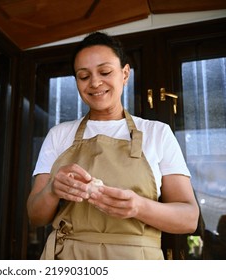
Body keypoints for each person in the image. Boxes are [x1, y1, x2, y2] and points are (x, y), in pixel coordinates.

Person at [27, 32, 200, 260]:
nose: (95, 83)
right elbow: (35, 217)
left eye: (105, 72)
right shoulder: (59, 135)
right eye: (83, 76)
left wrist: (138, 207)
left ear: (125, 74)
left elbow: (189, 219)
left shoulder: (157, 133)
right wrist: (52, 190)